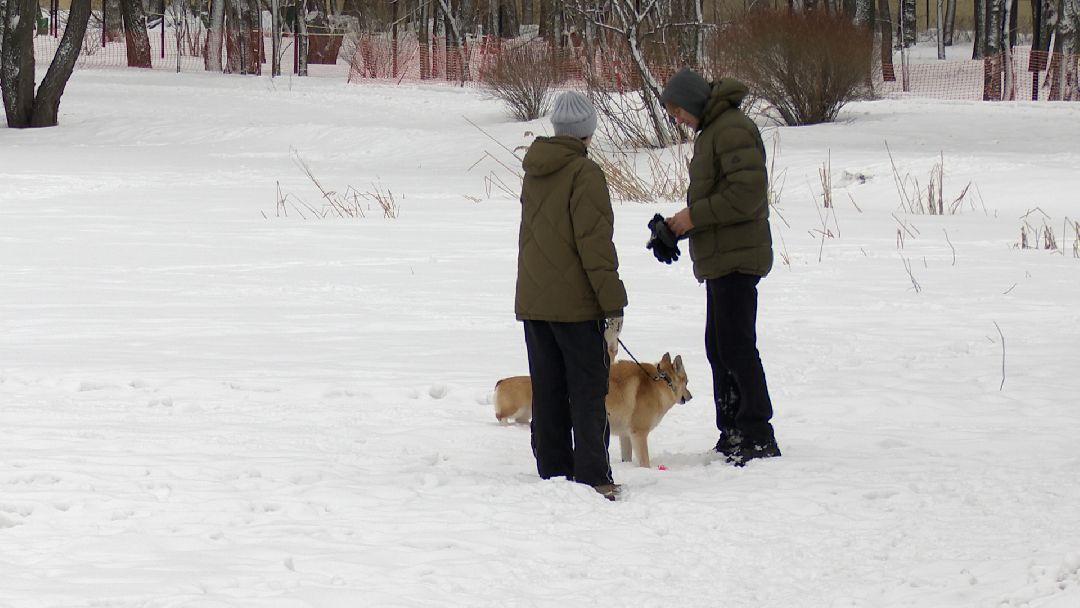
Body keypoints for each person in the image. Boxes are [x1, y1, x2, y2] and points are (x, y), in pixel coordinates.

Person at [659, 68, 781, 466]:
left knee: (735, 346)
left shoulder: (731, 129)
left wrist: (693, 217)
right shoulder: (714, 131)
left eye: (679, 111)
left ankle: (757, 433)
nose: (678, 119)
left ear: (693, 102)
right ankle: (732, 431)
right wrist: (676, 228)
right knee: (719, 346)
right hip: (722, 256)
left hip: (738, 257)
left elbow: (747, 195)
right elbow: (719, 198)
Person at [515, 90, 628, 500]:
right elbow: (594, 245)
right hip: (577, 306)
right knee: (587, 390)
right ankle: (594, 475)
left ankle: (553, 469)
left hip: (534, 302)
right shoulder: (585, 173)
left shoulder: (535, 170)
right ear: (587, 131)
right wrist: (613, 303)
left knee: (547, 389)